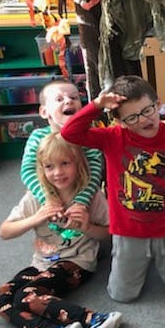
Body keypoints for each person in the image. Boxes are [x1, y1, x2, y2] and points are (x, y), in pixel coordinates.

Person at [60, 75, 165, 302]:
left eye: (148, 110)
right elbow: (69, 133)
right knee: (123, 295)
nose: (144, 120)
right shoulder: (113, 137)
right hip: (129, 232)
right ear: (120, 121)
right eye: (132, 117)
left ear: (158, 104)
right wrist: (96, 105)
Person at [0, 133, 122, 328]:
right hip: (42, 262)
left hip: (77, 262)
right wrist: (36, 218)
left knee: (26, 295)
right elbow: (4, 232)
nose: (58, 172)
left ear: (78, 164)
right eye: (49, 166)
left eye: (65, 163)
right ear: (41, 169)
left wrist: (87, 226)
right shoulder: (35, 197)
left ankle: (94, 319)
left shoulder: (90, 197)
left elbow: (111, 232)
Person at [20, 79, 103, 232]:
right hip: (48, 198)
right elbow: (27, 170)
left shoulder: (88, 136)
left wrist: (81, 202)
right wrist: (47, 198)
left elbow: (95, 171)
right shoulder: (37, 137)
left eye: (74, 97)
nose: (69, 101)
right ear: (44, 112)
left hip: (85, 198)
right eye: (59, 99)